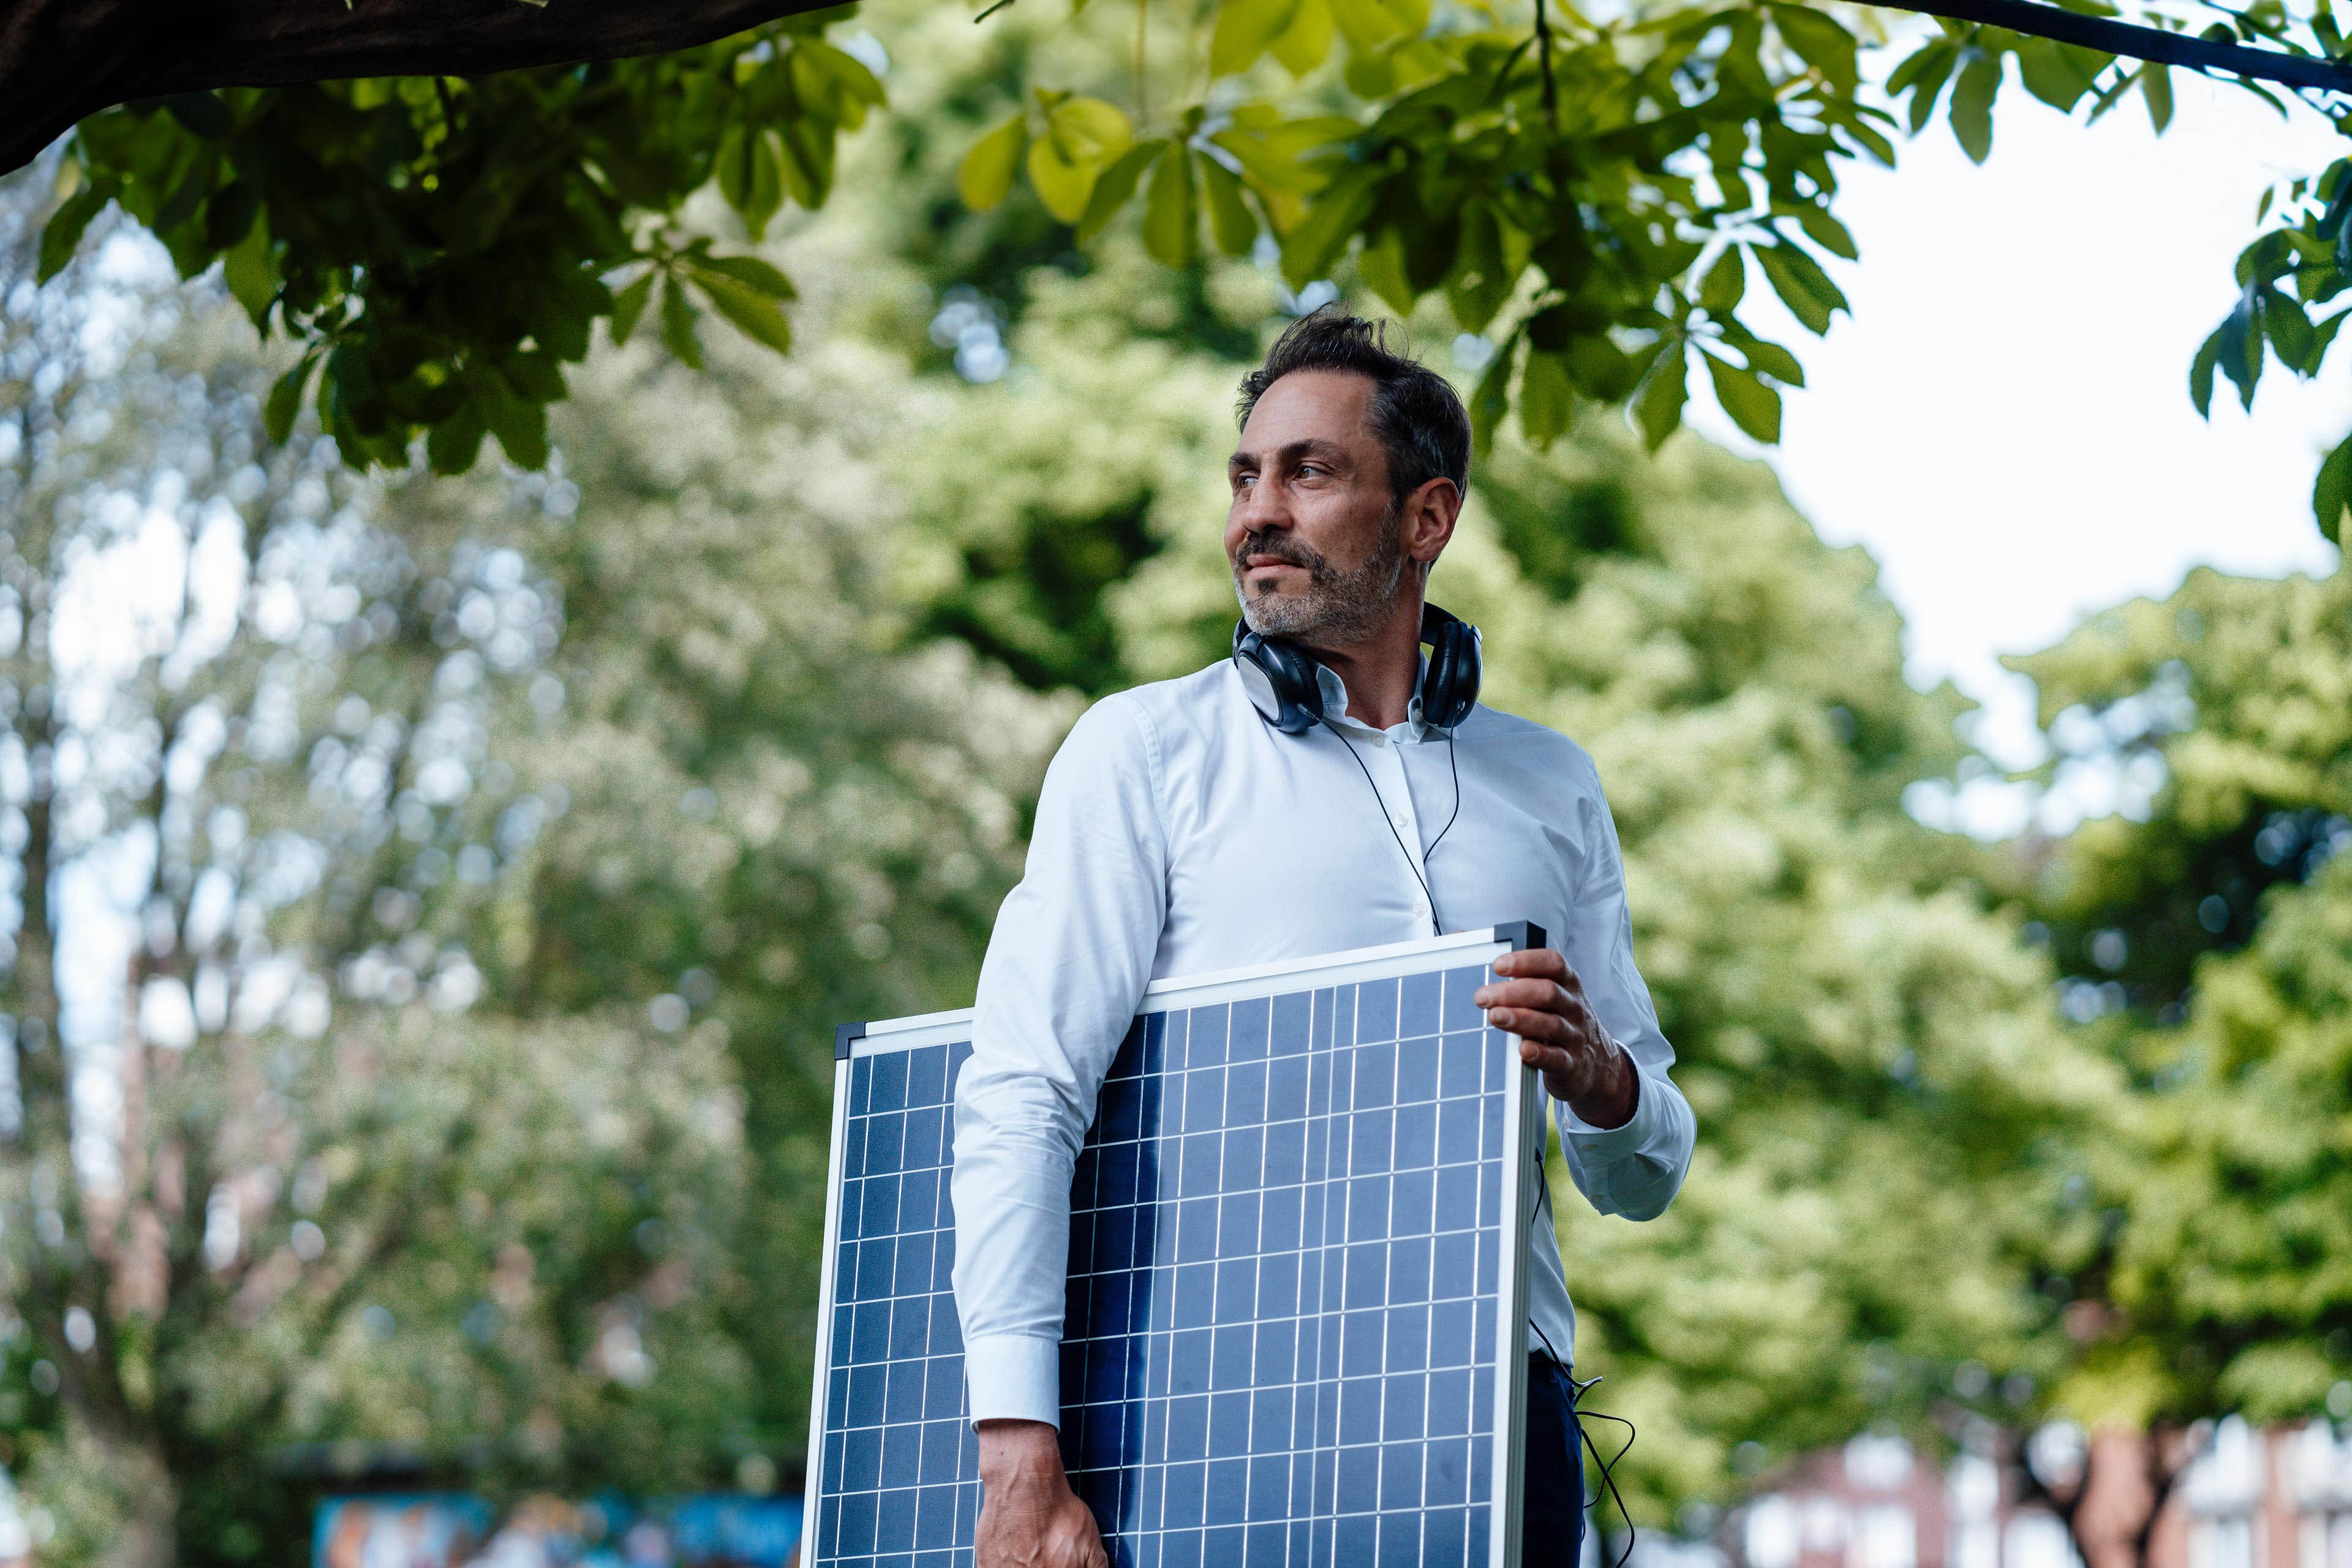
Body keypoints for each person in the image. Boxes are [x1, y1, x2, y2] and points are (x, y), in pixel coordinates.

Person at [950, 306, 1697, 1567]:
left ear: (1427, 518)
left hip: (1504, 1416)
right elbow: (1025, 1092)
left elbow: (1647, 1170)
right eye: (1245, 474)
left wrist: (1600, 1077)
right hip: (1233, 1404)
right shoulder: (1143, 753)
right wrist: (1018, 1447)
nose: (1257, 510)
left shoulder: (1552, 784)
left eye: (1310, 469)